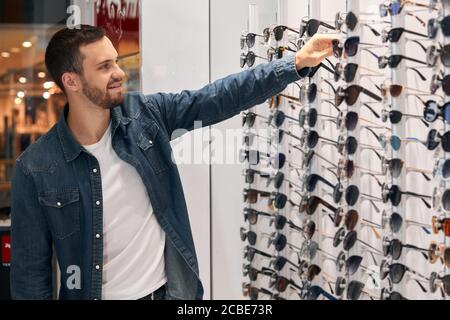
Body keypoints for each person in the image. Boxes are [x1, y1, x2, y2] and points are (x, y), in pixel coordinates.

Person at [10, 24, 336, 300]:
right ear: (72, 81)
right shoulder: (36, 168)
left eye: (116, 61)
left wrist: (294, 63)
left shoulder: (144, 115)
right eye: (104, 66)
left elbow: (216, 98)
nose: (119, 72)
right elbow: (29, 275)